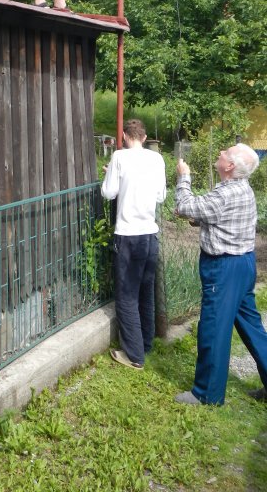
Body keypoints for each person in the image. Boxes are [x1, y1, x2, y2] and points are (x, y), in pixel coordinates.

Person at [174, 143, 267, 405]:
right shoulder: (240, 189)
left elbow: (185, 205)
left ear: (230, 166)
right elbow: (209, 214)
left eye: (225, 152)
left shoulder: (226, 194)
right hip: (243, 265)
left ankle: (207, 394)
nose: (220, 153)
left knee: (214, 329)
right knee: (252, 327)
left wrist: (184, 176)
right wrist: (196, 214)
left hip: (224, 268)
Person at [101, 119, 167, 370]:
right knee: (145, 291)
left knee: (126, 296)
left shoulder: (120, 157)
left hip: (128, 234)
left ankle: (134, 355)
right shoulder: (157, 159)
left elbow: (109, 193)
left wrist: (110, 174)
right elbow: (161, 195)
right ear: (144, 136)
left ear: (126, 136)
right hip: (150, 234)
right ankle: (146, 343)